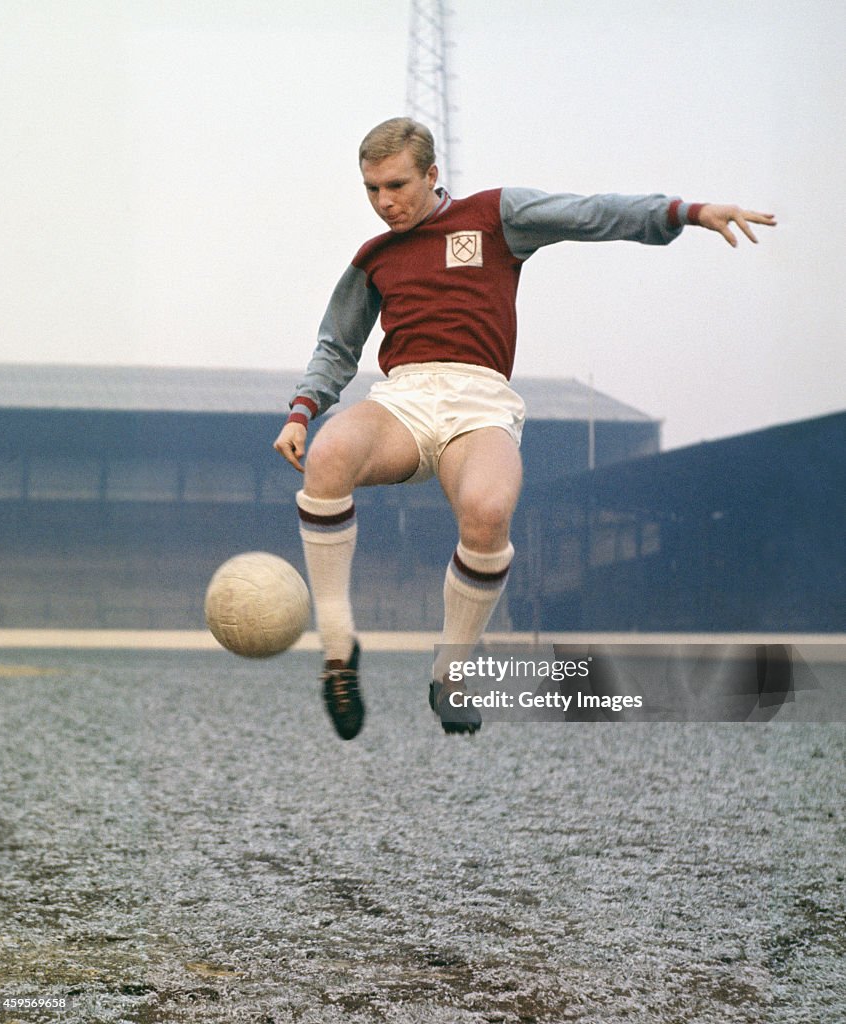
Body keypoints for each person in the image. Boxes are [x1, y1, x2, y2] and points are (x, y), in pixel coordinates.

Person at [273, 116, 776, 741]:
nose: (385, 203)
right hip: (405, 397)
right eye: (371, 189)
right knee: (328, 456)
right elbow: (336, 346)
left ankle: (451, 671)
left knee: (487, 511)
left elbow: (591, 212)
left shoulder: (495, 215)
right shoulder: (373, 258)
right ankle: (338, 649)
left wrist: (685, 211)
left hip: (481, 402)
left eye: (397, 185)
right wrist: (303, 409)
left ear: (432, 175)